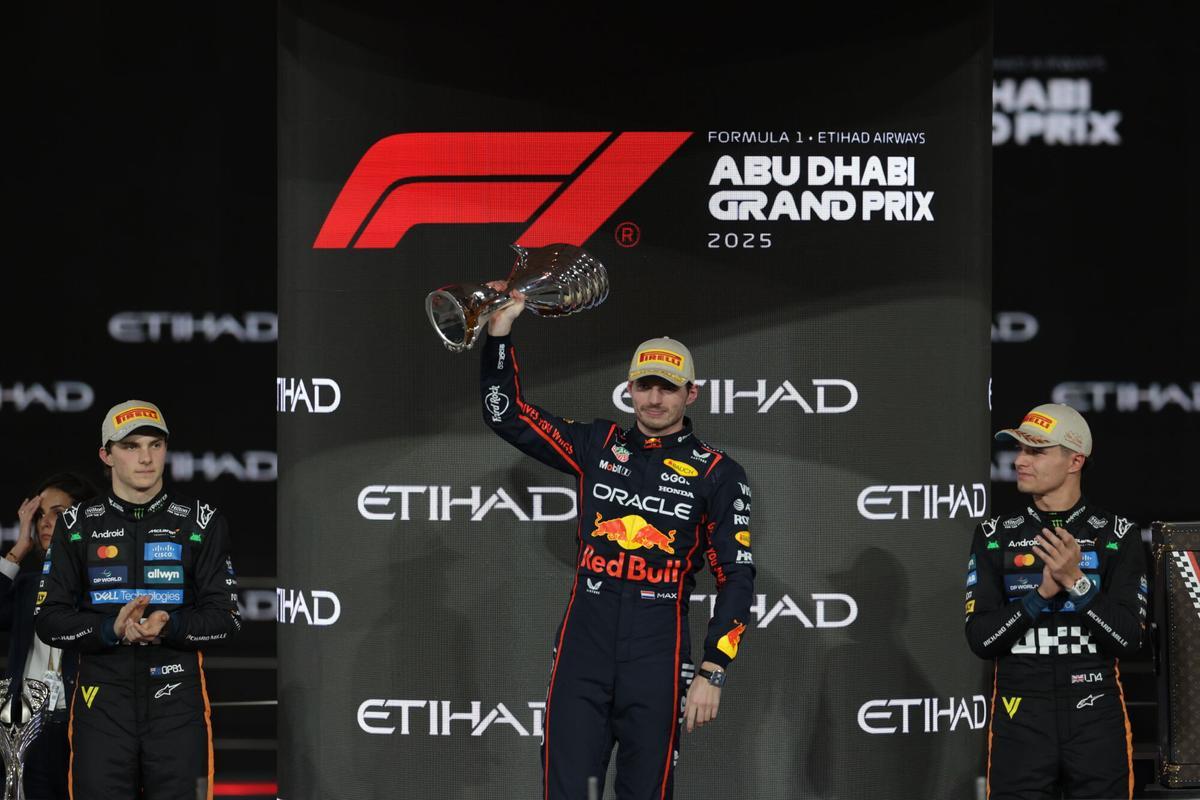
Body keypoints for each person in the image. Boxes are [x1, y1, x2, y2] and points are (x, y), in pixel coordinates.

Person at [480, 288, 756, 800]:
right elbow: (506, 416)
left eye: (668, 388)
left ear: (690, 394)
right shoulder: (597, 445)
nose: (655, 399)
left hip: (658, 653)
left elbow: (737, 577)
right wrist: (500, 333)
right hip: (584, 647)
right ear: (629, 389)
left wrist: (714, 670)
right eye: (646, 386)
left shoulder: (719, 474)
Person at [35, 400, 241, 800]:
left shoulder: (201, 521)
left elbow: (227, 619)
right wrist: (109, 629)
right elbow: (49, 620)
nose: (146, 458)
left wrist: (172, 624)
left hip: (178, 701)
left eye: (155, 445)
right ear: (106, 455)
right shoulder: (77, 525)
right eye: (130, 446)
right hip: (101, 702)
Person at [965, 403, 1147, 800]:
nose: (1019, 461)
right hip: (1020, 716)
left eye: (1036, 451)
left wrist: (1076, 583)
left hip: (1097, 715)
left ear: (1074, 460)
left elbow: (1130, 638)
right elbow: (980, 638)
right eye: (1020, 451)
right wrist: (1043, 593)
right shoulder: (994, 535)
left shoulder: (1118, 534)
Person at [1, 472, 97, 800]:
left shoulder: (104, 584)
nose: (44, 523)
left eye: (56, 513)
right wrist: (19, 548)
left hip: (83, 722)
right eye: (40, 515)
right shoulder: (27, 585)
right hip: (27, 725)